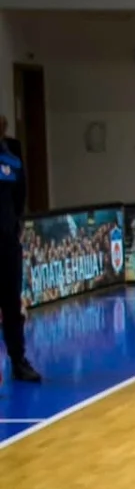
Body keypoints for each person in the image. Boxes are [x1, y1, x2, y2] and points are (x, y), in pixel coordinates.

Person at [0, 133, 40, 383]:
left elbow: (19, 201)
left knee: (11, 305)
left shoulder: (11, 161)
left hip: (5, 245)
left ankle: (18, 361)